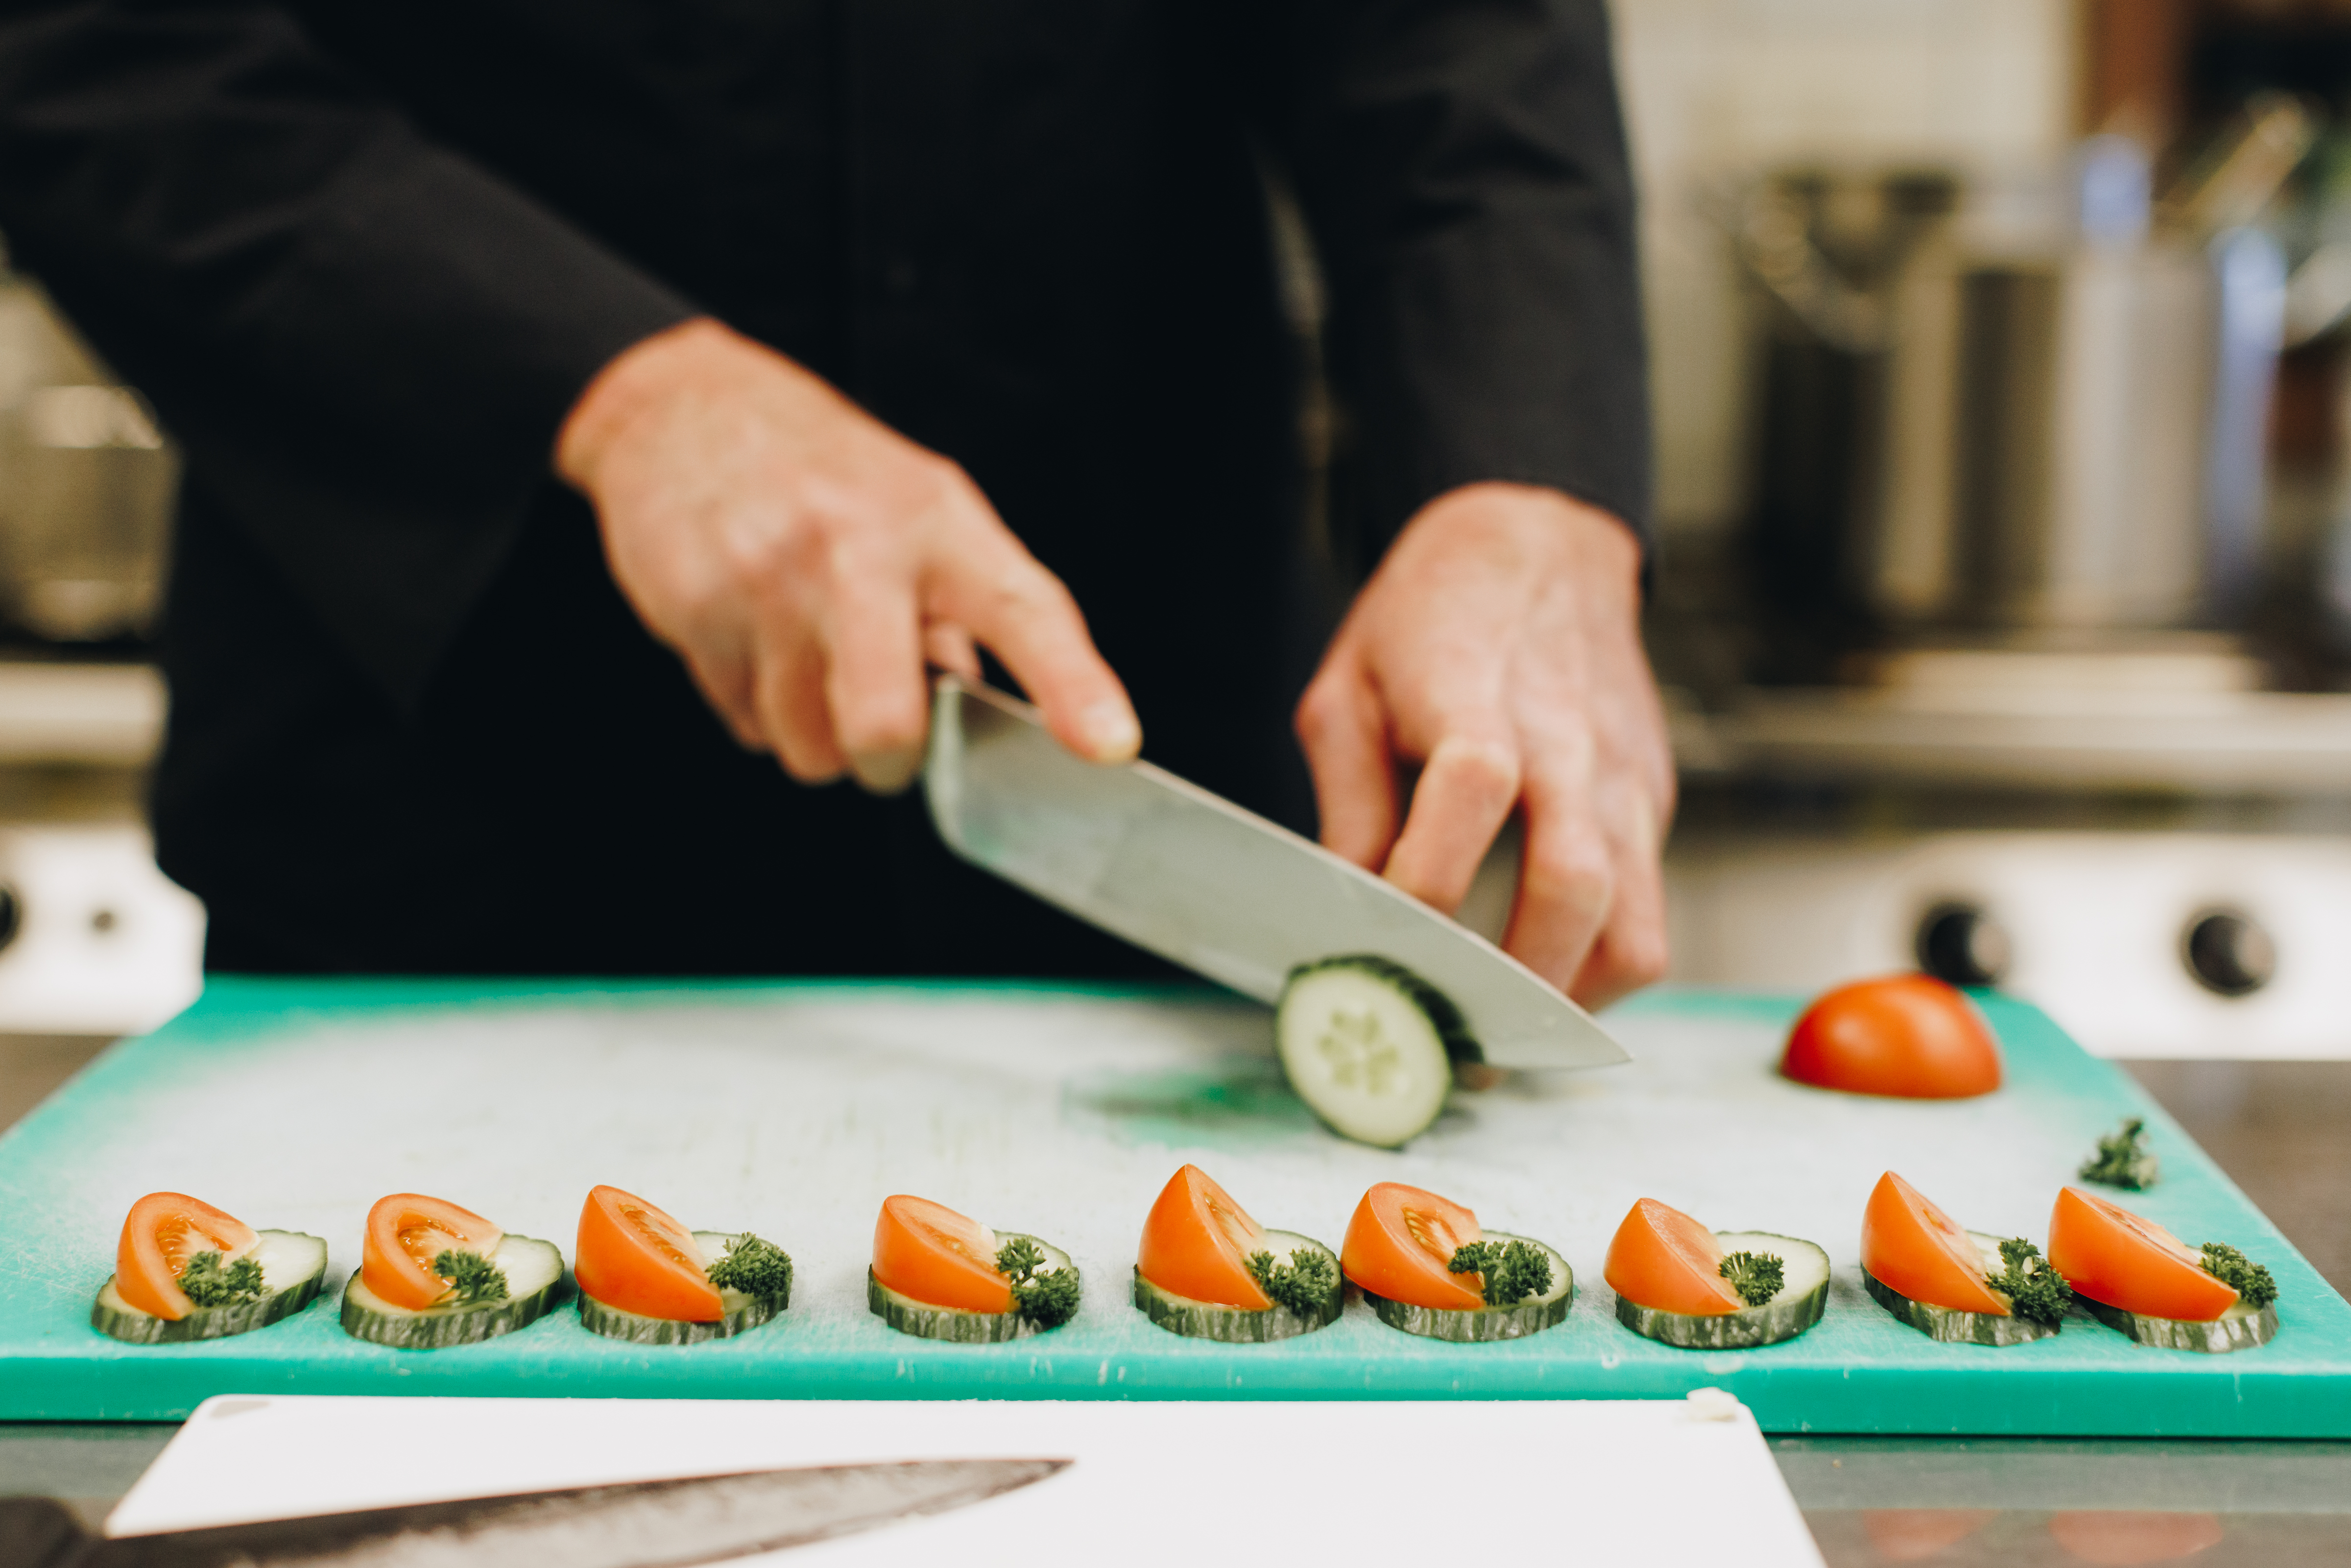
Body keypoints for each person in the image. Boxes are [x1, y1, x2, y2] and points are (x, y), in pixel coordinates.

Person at [0, 0, 1672, 1006]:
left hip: (1152, 792)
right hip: (446, 803)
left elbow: (1458, 42)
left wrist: (1520, 477)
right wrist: (614, 383)